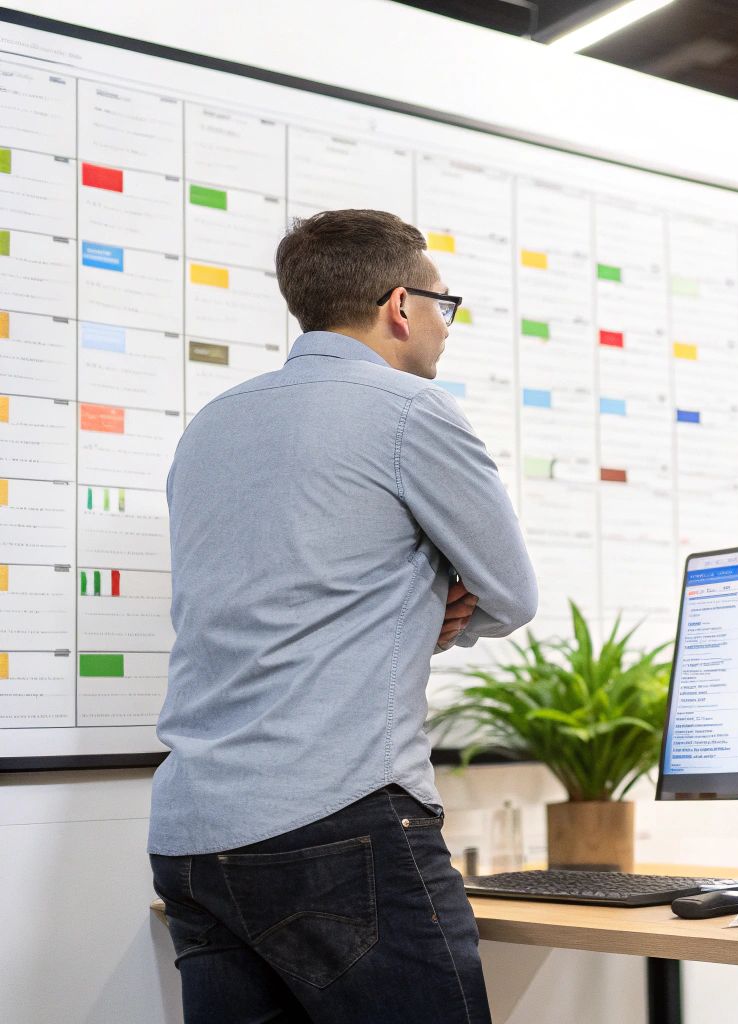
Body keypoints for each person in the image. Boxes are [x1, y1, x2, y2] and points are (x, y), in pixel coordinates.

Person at [148, 208, 537, 1023]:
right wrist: (440, 612)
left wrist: (407, 605)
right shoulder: (411, 410)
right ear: (401, 306)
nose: (444, 325)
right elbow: (509, 592)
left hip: (192, 835)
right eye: (442, 304)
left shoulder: (211, 423)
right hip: (340, 822)